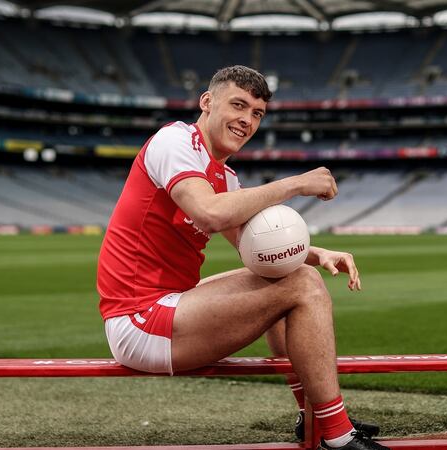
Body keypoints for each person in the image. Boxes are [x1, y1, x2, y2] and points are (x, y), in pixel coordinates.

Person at [97, 65, 385, 450]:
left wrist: (317, 254)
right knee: (300, 283)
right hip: (140, 320)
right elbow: (210, 213)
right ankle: (337, 435)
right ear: (207, 102)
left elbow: (254, 243)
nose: (247, 120)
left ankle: (313, 415)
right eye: (238, 105)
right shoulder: (175, 142)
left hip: (166, 307)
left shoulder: (224, 177)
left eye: (257, 113)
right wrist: (296, 184)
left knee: (286, 271)